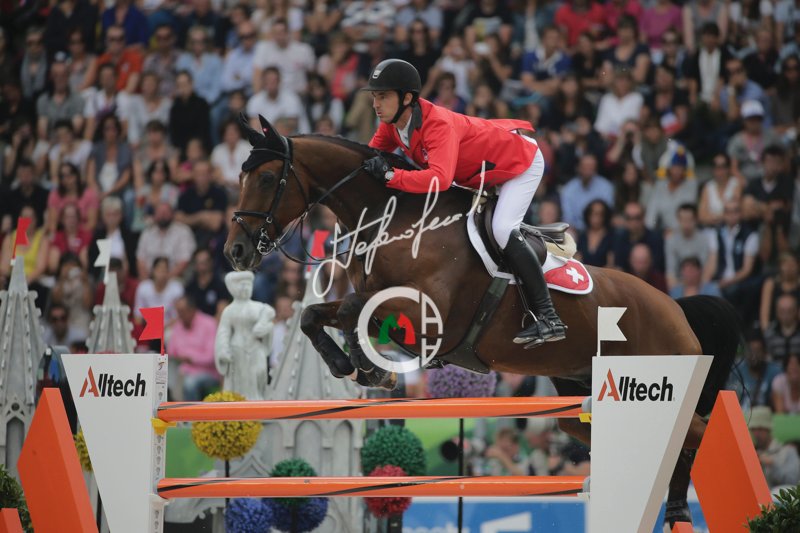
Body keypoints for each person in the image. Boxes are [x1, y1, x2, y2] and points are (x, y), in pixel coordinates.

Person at [361, 59, 565, 347]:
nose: (375, 104)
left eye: (382, 96)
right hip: (478, 173)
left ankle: (549, 317)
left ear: (406, 98)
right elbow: (367, 157)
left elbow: (439, 180)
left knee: (502, 229)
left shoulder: (437, 124)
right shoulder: (392, 125)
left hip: (520, 163)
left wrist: (392, 176)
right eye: (374, 96)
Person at [168, 295, 220, 401]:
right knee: (163, 378)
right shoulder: (178, 325)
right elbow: (171, 351)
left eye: (182, 311)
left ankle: (191, 412)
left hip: (207, 372)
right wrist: (179, 358)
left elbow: (211, 357)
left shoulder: (209, 324)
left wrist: (191, 358)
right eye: (178, 311)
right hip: (181, 370)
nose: (179, 315)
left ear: (192, 310)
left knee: (190, 383)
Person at [749, 406, 800, 487]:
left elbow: (793, 481)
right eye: (753, 429)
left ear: (768, 429)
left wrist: (772, 465)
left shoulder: (788, 451)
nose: (756, 434)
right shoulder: (750, 454)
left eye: (760, 429)